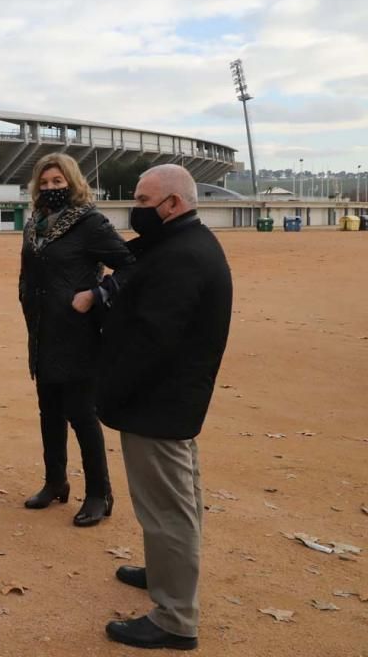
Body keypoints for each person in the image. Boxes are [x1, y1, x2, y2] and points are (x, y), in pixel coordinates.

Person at [97, 165, 232, 651]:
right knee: (177, 500)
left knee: (167, 509)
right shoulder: (182, 244)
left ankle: (175, 617)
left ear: (173, 204)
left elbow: (152, 341)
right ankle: (164, 571)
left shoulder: (184, 257)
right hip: (169, 400)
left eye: (142, 198)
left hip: (158, 403)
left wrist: (109, 392)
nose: (135, 208)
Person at [18, 153, 133, 526]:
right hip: (42, 331)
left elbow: (131, 264)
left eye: (58, 182)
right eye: (45, 183)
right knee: (49, 412)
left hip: (77, 333)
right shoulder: (34, 223)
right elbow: (28, 273)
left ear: (73, 182)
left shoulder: (89, 222)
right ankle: (55, 482)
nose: (51, 188)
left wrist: (96, 294)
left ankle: (100, 493)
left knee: (82, 416)